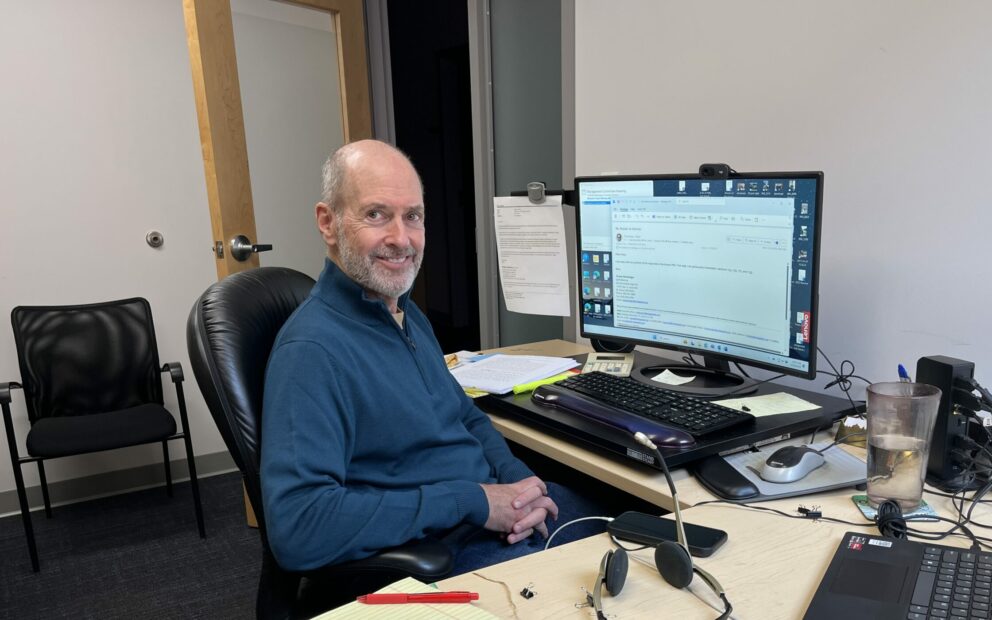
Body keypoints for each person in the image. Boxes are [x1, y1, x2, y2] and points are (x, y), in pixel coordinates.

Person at [261, 140, 603, 575]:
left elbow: (465, 416)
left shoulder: (401, 308)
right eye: (375, 214)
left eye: (413, 216)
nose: (401, 239)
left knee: (650, 533)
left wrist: (517, 482)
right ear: (328, 223)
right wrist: (469, 501)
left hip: (493, 511)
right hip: (445, 548)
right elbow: (299, 527)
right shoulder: (310, 352)